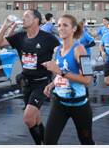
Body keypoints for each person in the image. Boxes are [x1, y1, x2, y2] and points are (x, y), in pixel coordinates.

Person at [0, 9, 60, 144]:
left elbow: (62, 52)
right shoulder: (20, 36)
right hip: (26, 83)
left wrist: (56, 65)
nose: (23, 19)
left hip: (42, 83)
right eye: (23, 16)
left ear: (36, 20)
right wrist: (5, 26)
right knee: (35, 119)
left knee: (28, 118)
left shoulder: (47, 38)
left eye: (27, 16)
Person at [42, 14, 94, 144]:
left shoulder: (80, 49)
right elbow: (61, 74)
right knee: (48, 141)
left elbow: (88, 80)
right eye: (59, 25)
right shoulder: (58, 50)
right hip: (59, 103)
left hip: (79, 105)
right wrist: (52, 85)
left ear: (74, 28)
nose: (61, 28)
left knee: (86, 141)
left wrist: (60, 71)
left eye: (65, 25)